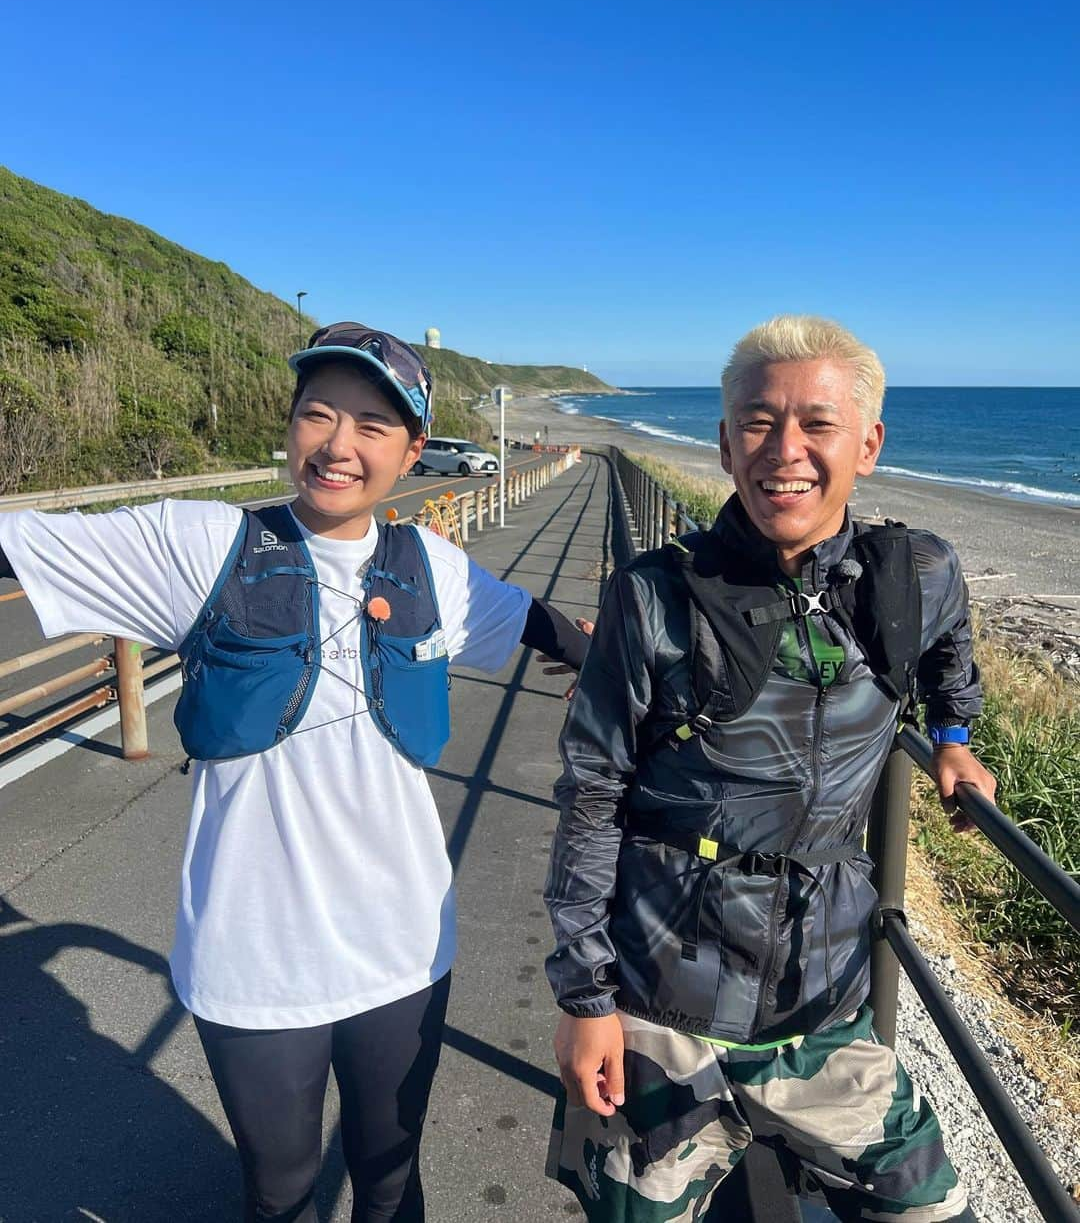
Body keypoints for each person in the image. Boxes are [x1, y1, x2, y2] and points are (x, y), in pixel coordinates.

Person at [0, 323, 586, 1223]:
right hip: (254, 953)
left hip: (405, 948)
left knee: (390, 1177)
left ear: (413, 449)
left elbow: (534, 622)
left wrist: (605, 651)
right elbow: (23, 544)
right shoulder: (203, 547)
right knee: (278, 1188)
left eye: (372, 425)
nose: (339, 445)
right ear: (291, 425)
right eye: (317, 414)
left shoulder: (429, 565)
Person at [544, 316, 994, 1223]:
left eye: (816, 424)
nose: (784, 450)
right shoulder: (654, 596)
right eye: (757, 421)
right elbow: (591, 795)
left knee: (930, 1209)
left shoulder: (914, 573)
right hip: (657, 1004)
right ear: (722, 443)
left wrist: (951, 734)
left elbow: (951, 647)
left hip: (821, 1008)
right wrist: (585, 998)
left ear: (867, 444)